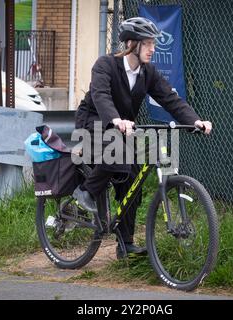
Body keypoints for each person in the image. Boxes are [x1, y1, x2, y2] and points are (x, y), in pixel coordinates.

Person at [73, 17, 212, 257]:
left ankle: (124, 244)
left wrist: (194, 121)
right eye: (147, 43)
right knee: (117, 153)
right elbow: (101, 95)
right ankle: (86, 191)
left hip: (121, 129)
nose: (152, 49)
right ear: (131, 44)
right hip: (93, 124)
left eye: (153, 44)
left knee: (134, 176)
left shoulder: (148, 72)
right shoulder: (105, 65)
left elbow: (170, 99)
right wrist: (115, 120)